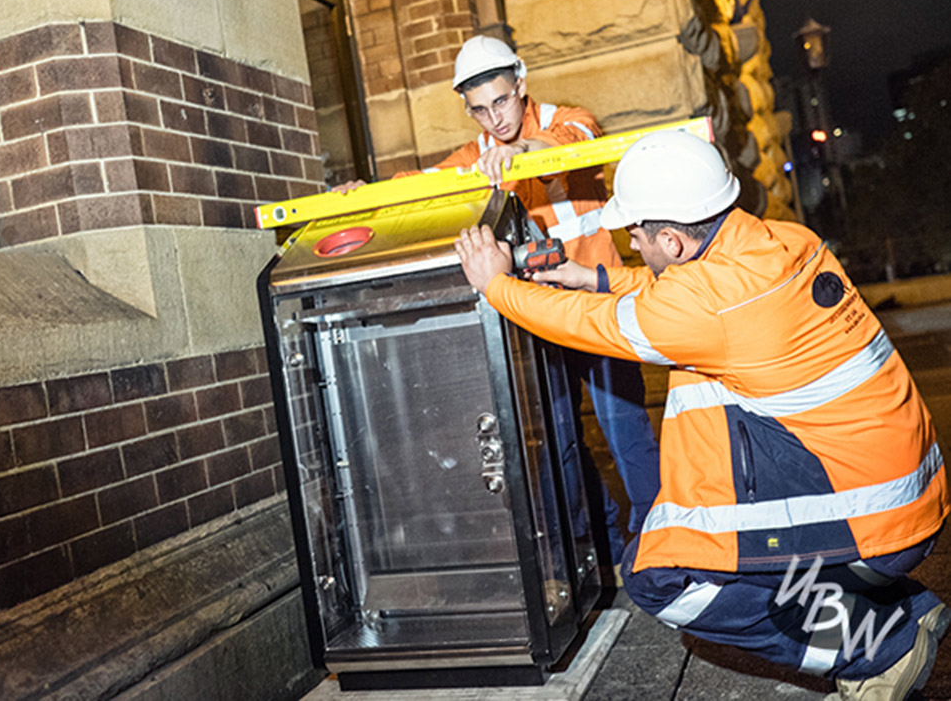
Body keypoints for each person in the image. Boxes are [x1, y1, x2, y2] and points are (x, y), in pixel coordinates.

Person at [453, 129, 950, 699]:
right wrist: (594, 277)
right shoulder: (784, 240)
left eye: (636, 232)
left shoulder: (703, 306)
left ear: (674, 239)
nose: (632, 242)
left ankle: (883, 647)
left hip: (873, 520)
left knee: (663, 578)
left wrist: (495, 284)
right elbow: (684, 292)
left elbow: (599, 325)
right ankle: (900, 603)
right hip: (909, 494)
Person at [338, 35, 661, 569]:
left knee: (625, 430)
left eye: (502, 102)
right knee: (559, 439)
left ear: (521, 83)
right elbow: (417, 186)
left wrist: (519, 152)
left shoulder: (567, 117)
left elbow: (567, 140)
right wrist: (361, 197)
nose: (495, 119)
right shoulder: (477, 154)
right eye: (480, 110)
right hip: (540, 314)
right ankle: (597, 541)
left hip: (597, 302)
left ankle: (660, 543)